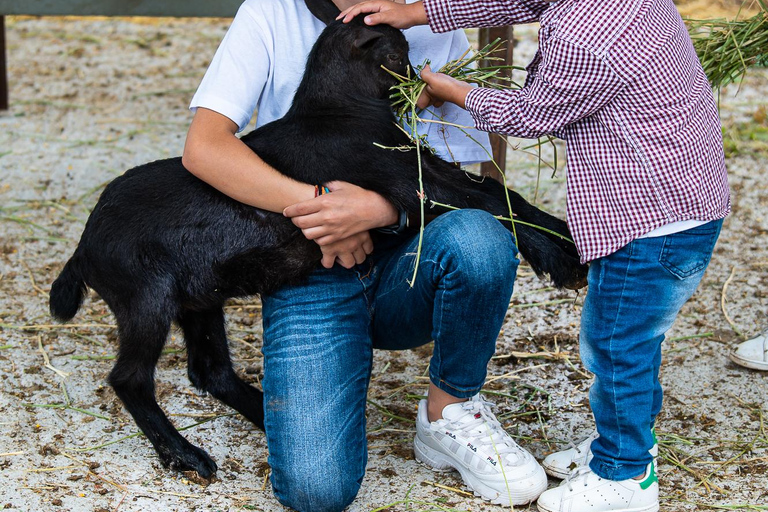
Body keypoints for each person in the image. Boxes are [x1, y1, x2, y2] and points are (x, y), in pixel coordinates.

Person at [338, 1, 731, 511]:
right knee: (635, 342)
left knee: (616, 349)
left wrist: (453, 91)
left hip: (649, 225)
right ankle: (624, 444)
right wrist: (416, 13)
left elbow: (530, 113)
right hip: (688, 206)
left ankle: (625, 475)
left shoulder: (583, 36)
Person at [182, 0, 549, 510]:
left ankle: (449, 413)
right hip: (307, 264)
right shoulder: (270, 13)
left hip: (409, 260)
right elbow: (205, 148)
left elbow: (471, 174)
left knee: (479, 237)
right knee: (317, 491)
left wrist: (379, 210)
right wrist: (323, 209)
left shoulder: (429, 22)